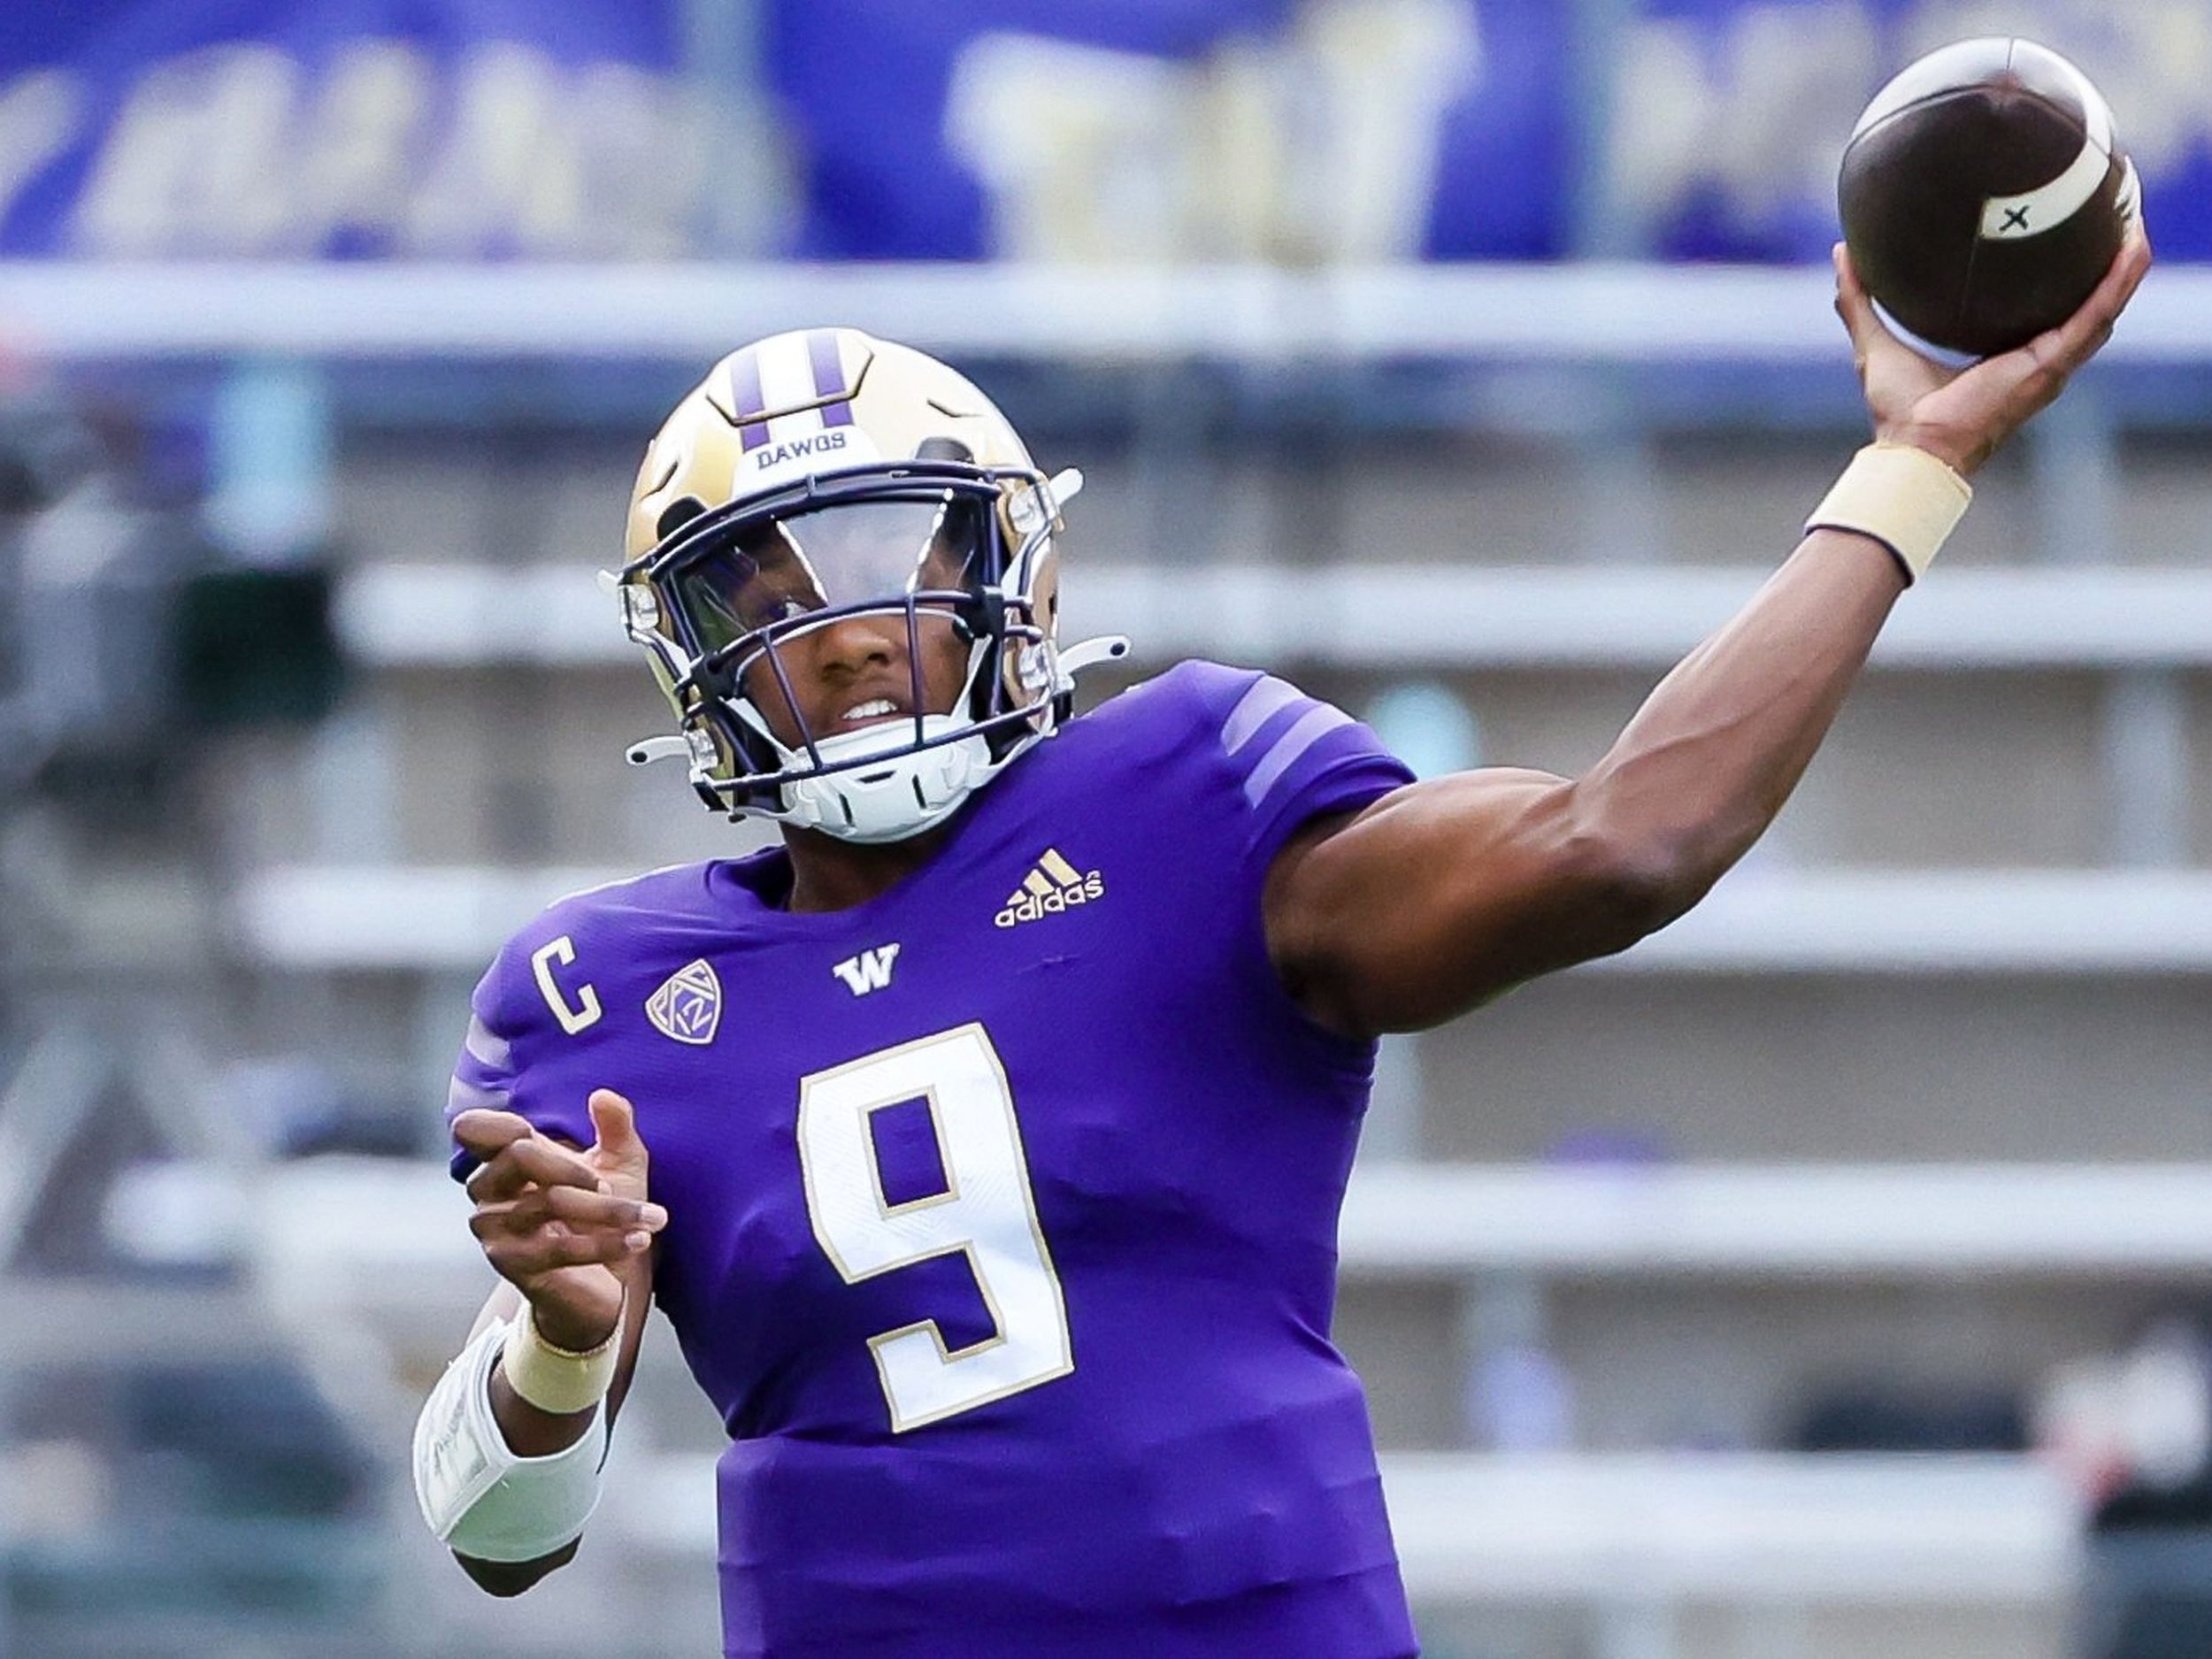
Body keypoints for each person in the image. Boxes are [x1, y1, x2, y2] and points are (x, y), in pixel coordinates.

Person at [411, 227, 2153, 1659]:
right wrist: (563, 1339)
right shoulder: (607, 1000)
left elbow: (1625, 838)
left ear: (1012, 573)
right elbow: (501, 1538)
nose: (851, 638)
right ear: (688, 657)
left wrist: (1908, 466)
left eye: (884, 562)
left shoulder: (1184, 799)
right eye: (770, 596)